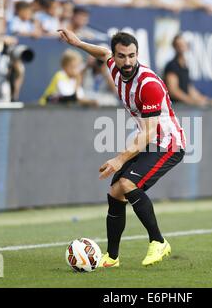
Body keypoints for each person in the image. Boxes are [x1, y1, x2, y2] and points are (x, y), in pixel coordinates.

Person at [57, 28, 186, 267]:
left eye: (132, 55)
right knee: (115, 191)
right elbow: (102, 52)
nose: (127, 62)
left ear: (137, 54)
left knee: (127, 184)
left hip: (168, 143)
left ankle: (158, 242)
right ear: (115, 57)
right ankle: (112, 257)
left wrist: (119, 159)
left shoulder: (148, 85)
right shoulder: (115, 67)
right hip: (147, 140)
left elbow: (149, 132)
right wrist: (77, 43)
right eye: (122, 56)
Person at [164, 34, 212, 107]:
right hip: (175, 109)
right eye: (179, 45)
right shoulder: (172, 65)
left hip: (184, 108)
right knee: (194, 118)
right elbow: (173, 90)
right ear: (174, 47)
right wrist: (191, 101)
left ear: (187, 46)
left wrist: (209, 101)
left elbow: (189, 89)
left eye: (183, 44)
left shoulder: (185, 66)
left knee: (197, 118)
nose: (181, 47)